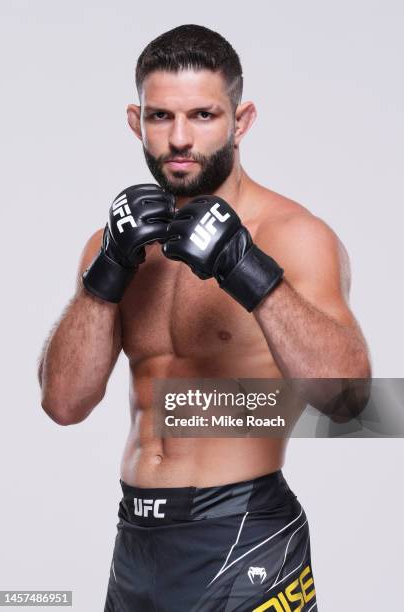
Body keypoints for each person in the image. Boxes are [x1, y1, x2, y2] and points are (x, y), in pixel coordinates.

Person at [38, 24, 371, 611]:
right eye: (161, 117)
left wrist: (252, 273)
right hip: (136, 542)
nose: (180, 139)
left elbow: (348, 398)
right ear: (135, 120)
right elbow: (63, 404)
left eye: (203, 115)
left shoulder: (293, 236)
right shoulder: (112, 242)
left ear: (240, 121)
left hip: (243, 537)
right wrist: (106, 274)